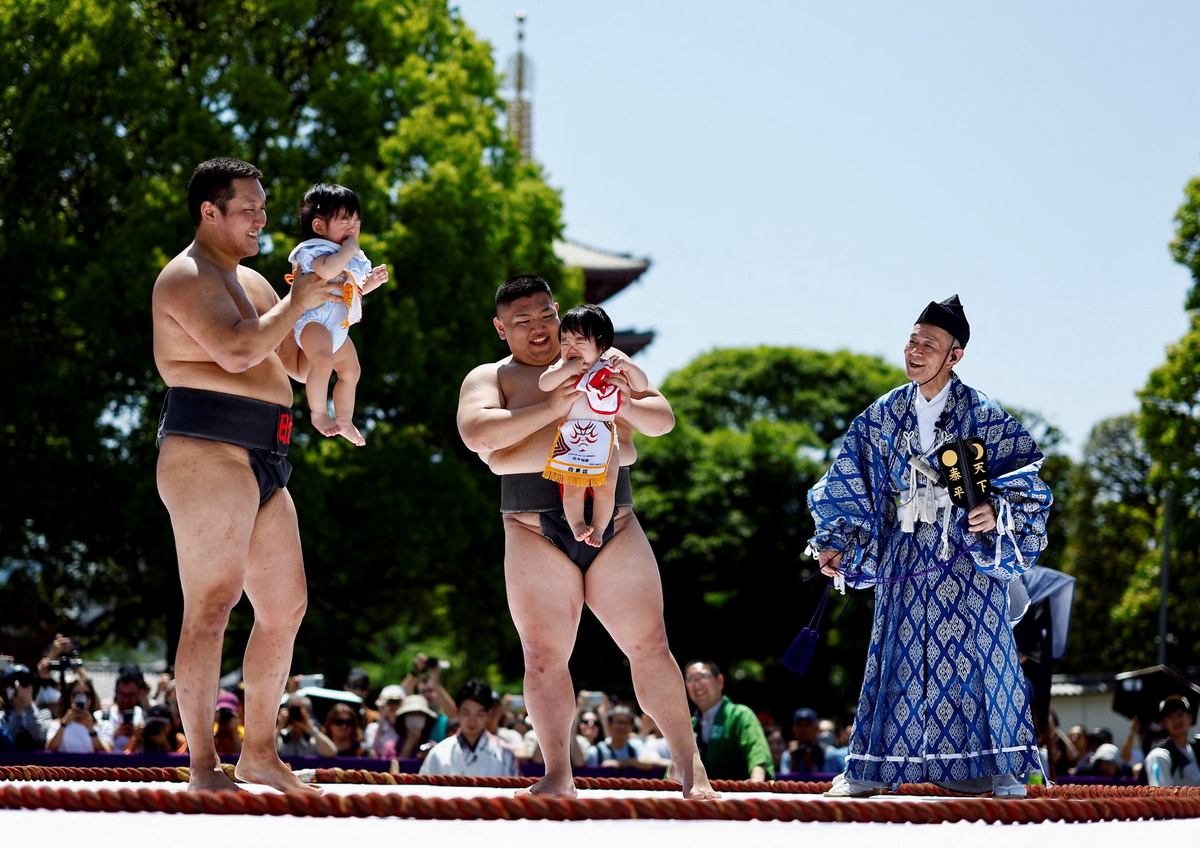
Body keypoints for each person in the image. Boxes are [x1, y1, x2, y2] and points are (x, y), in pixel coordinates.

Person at [456, 275, 717, 800]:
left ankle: (691, 767)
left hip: (614, 522)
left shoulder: (609, 360)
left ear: (559, 312)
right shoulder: (491, 376)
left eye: (546, 317)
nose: (538, 329)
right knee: (543, 656)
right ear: (500, 328)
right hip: (533, 528)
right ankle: (558, 772)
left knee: (651, 644)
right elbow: (479, 435)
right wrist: (560, 418)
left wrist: (532, 444)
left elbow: (659, 418)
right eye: (522, 321)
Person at [810, 295, 1052, 799]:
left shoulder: (982, 412)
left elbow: (1029, 485)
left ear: (954, 355)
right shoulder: (883, 414)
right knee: (893, 654)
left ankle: (1002, 769)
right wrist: (834, 541)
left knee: (982, 658)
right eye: (912, 340)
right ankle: (870, 768)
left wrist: (995, 510)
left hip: (963, 552)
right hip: (904, 549)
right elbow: (849, 480)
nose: (916, 351)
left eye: (930, 344)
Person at [153, 156, 341, 794]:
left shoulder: (260, 284)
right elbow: (235, 351)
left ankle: (260, 752)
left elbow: (288, 357)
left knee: (286, 606)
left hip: (269, 454)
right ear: (211, 211)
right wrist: (299, 298)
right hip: (208, 447)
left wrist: (333, 311)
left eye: (263, 206)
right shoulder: (183, 277)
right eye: (249, 208)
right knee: (212, 605)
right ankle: (203, 764)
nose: (262, 217)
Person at [279, 183, 389, 446]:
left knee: (352, 371)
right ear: (319, 227)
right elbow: (327, 272)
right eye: (345, 221)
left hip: (337, 326)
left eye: (356, 222)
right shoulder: (313, 250)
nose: (353, 228)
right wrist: (348, 251)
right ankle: (318, 413)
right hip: (313, 321)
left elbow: (353, 290)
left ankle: (345, 418)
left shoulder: (348, 257)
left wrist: (372, 281)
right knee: (323, 361)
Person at [537, 304, 649, 546]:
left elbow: (641, 385)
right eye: (565, 340)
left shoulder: (608, 367)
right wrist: (568, 369)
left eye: (579, 341)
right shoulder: (563, 368)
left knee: (607, 486)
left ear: (601, 345)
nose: (570, 347)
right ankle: (577, 523)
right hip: (571, 437)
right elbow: (544, 383)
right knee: (573, 487)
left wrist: (629, 367)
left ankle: (598, 528)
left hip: (607, 437)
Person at [683, 659, 774, 781]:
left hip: (737, 796)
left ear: (719, 681)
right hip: (696, 797)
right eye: (690, 679)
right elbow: (676, 767)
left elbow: (757, 754)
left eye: (703, 676)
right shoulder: (690, 725)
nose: (696, 684)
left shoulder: (740, 715)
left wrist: (756, 783)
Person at [419, 680, 520, 777]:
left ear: (488, 713)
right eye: (466, 713)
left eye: (479, 714)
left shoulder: (504, 753)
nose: (472, 720)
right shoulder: (438, 753)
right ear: (457, 711)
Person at [1144, 696, 1200, 787]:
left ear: (1190, 717)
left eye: (1180, 715)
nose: (1176, 721)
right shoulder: (1159, 756)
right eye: (1170, 717)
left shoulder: (1196, 749)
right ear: (1163, 723)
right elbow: (1162, 797)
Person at [46, 677, 107, 753]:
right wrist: (64, 724)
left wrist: (91, 729)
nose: (82, 698)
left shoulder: (103, 725)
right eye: (76, 694)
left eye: (86, 694)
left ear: (92, 698)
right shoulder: (56, 724)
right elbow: (49, 750)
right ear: (69, 697)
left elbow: (106, 754)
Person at [1, 664, 54, 751]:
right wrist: (18, 711)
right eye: (12, 685)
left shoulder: (44, 713)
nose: (19, 689)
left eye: (24, 683)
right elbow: (9, 741)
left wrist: (28, 706)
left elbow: (39, 738)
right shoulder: (2, 718)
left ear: (31, 687)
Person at [94, 668, 145, 754]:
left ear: (139, 693)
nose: (126, 699)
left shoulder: (145, 718)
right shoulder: (99, 717)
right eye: (122, 694)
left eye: (131, 695)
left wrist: (138, 737)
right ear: (115, 691)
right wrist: (113, 735)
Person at [275, 693, 336, 757]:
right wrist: (279, 726)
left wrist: (310, 728)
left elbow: (331, 753)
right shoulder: (281, 736)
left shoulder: (314, 737)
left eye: (300, 710)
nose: (297, 714)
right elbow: (266, 751)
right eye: (293, 710)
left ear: (309, 713)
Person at [381, 694, 438, 760]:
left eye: (419, 715)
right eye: (411, 714)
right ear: (404, 719)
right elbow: (391, 769)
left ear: (426, 719)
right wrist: (409, 744)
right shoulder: (391, 747)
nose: (415, 718)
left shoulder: (433, 748)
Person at [779, 707, 827, 775]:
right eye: (799, 726)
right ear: (793, 729)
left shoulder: (828, 754)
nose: (803, 730)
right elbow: (785, 782)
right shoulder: (788, 755)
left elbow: (831, 781)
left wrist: (809, 764)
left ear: (817, 728)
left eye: (806, 725)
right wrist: (794, 762)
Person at [364, 684, 405, 757]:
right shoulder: (373, 728)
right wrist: (382, 717)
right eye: (390, 701)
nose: (393, 705)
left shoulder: (408, 728)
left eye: (397, 701)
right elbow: (372, 753)